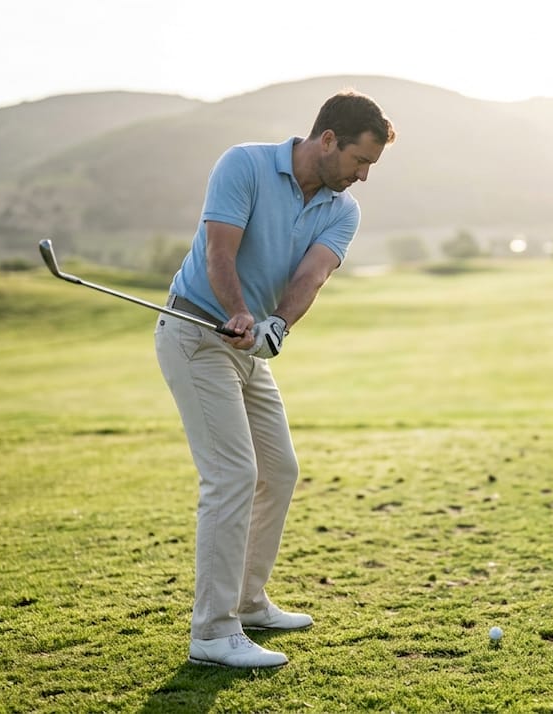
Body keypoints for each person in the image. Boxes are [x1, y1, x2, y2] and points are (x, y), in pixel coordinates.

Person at [154, 90, 396, 668]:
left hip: (249, 351)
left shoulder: (342, 209)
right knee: (233, 474)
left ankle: (247, 599)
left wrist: (276, 326)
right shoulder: (245, 164)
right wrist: (239, 312)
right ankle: (212, 632)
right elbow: (219, 252)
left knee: (279, 469)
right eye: (360, 161)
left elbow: (311, 277)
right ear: (328, 139)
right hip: (195, 333)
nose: (363, 176)